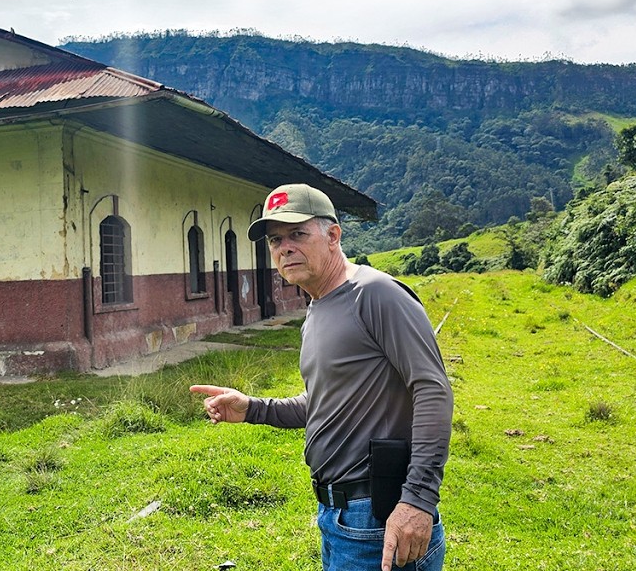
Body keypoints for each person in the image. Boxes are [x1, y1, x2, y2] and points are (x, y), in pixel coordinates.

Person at [191, 183, 452, 571]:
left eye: (298, 234)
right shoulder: (317, 307)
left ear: (333, 235)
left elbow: (432, 390)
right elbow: (324, 402)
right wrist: (253, 408)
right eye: (275, 240)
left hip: (380, 518)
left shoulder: (375, 294)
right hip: (339, 518)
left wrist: (418, 500)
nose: (285, 248)